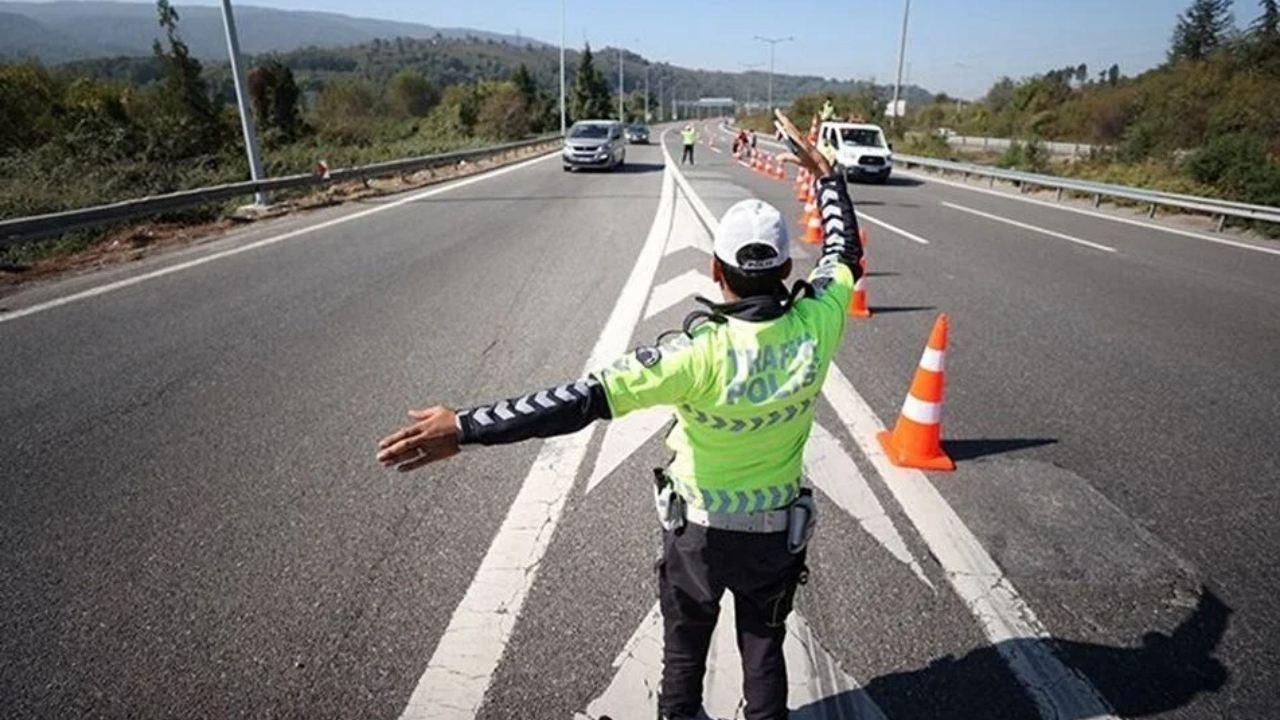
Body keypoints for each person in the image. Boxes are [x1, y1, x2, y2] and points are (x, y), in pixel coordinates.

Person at [375, 109, 864, 720]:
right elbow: (845, 250)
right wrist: (826, 178)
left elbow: (574, 402)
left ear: (716, 271)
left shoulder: (692, 355)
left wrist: (466, 426)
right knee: (764, 648)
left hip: (700, 537)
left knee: (684, 655)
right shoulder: (819, 322)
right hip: (774, 537)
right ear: (787, 270)